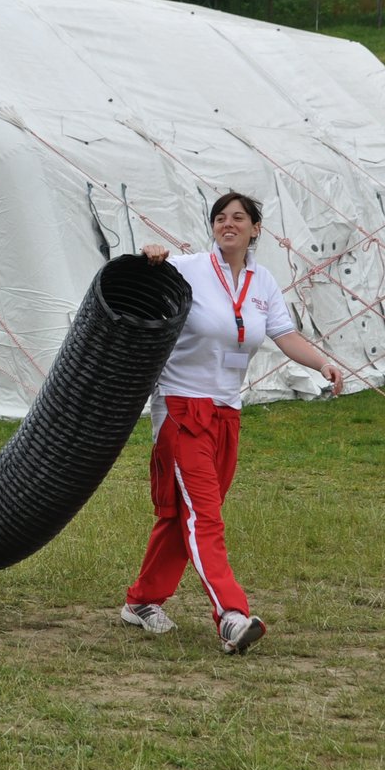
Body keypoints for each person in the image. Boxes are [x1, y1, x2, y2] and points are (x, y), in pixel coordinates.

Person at [122, 191, 344, 654]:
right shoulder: (187, 268)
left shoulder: (262, 282)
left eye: (239, 218)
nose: (229, 224)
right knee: (205, 514)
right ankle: (231, 615)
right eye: (220, 217)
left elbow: (284, 335)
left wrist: (322, 364)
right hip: (182, 408)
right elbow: (146, 278)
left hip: (226, 412)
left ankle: (141, 602)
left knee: (188, 513)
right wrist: (151, 257)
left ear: (255, 229)